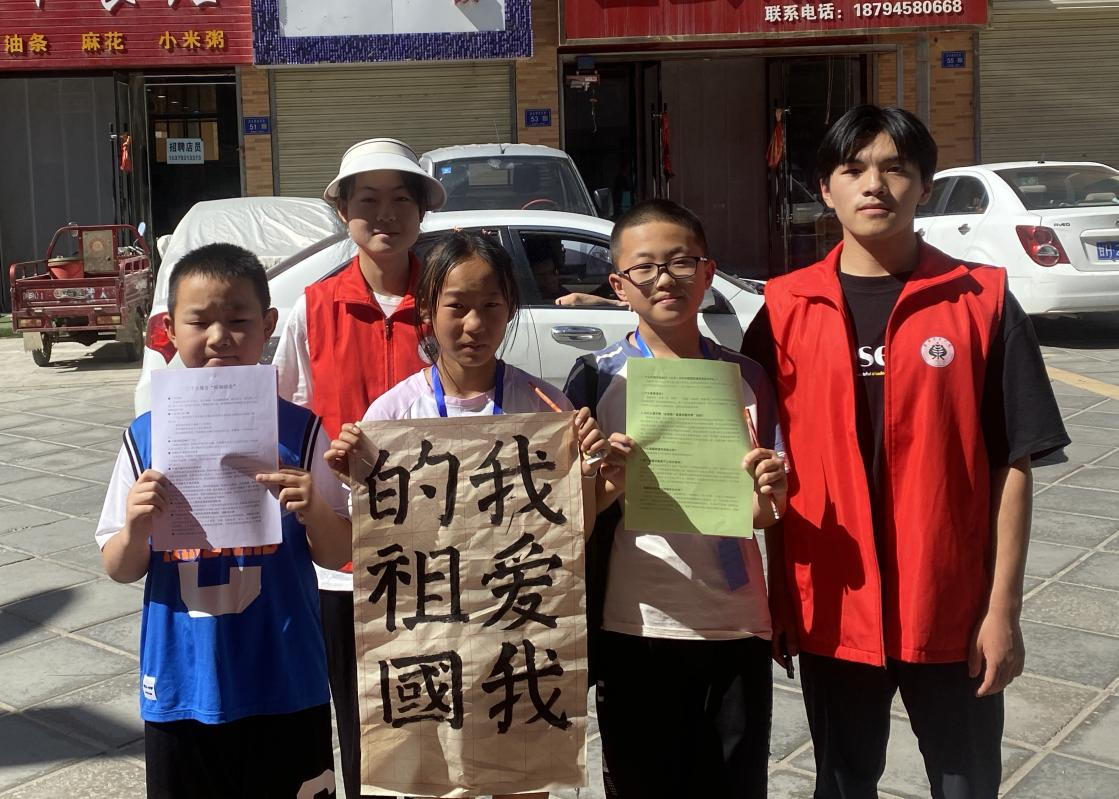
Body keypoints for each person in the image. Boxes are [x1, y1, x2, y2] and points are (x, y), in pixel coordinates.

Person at [741, 105, 1071, 798]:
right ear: (825, 188)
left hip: (951, 607)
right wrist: (777, 597)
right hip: (834, 606)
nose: (874, 184)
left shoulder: (981, 301)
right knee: (842, 782)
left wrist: (1002, 611)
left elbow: (1014, 463)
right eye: (852, 168)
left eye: (895, 168)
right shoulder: (784, 310)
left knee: (966, 784)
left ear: (924, 185)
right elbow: (757, 468)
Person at [325, 231, 611, 799]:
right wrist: (351, 471)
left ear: (511, 310)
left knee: (517, 776)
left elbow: (572, 535)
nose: (474, 324)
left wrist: (589, 476)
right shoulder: (393, 414)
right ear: (427, 312)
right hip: (429, 635)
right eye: (457, 306)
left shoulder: (545, 409)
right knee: (430, 778)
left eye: (491, 306)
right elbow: (368, 540)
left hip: (514, 628)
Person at [95, 243, 351, 798]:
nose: (219, 337)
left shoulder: (302, 431)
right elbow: (118, 566)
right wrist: (136, 527)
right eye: (199, 321)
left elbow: (337, 553)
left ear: (268, 325)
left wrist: (314, 509)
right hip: (183, 682)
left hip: (286, 676)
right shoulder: (145, 436)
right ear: (169, 329)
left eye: (238, 321)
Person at [563, 199, 788, 799]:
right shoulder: (595, 379)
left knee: (735, 786)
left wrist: (771, 494)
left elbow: (765, 512)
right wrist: (604, 486)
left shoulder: (747, 376)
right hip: (633, 622)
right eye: (645, 267)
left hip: (735, 623)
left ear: (708, 272)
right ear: (618, 285)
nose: (664, 279)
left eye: (681, 262)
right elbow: (569, 517)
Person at [272, 137, 445, 799]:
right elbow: (286, 420)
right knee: (359, 724)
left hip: (440, 554)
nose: (385, 214)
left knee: (438, 723)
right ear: (343, 211)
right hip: (342, 562)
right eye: (367, 200)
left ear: (422, 211)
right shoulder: (313, 308)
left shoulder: (446, 303)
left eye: (401, 199)